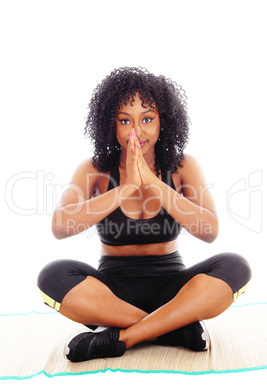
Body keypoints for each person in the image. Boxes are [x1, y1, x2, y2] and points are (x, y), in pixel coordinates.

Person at [37, 67, 252, 362]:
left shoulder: (182, 166)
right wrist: (125, 188)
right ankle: (170, 327)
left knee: (236, 267)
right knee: (52, 276)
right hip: (111, 295)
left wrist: (152, 183)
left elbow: (210, 231)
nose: (136, 132)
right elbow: (60, 226)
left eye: (147, 119)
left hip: (174, 290)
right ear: (110, 125)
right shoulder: (94, 169)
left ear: (164, 122)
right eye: (125, 121)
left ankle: (125, 336)